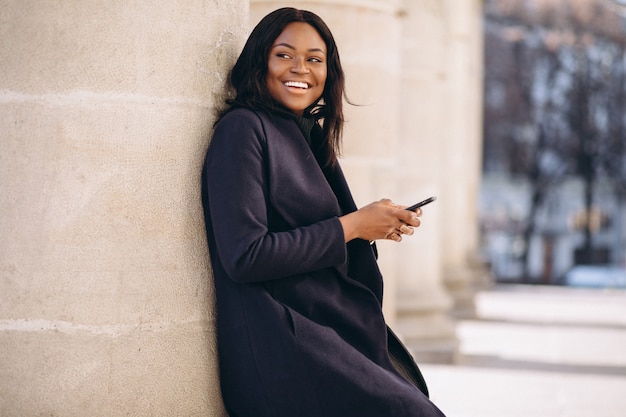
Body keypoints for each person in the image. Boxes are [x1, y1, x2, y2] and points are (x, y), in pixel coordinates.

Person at [202, 7, 446, 417]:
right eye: (284, 54)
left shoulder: (307, 134)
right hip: (283, 339)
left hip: (329, 332)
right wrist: (352, 226)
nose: (300, 68)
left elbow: (325, 233)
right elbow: (245, 255)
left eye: (315, 59)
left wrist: (371, 227)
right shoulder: (242, 129)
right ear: (259, 59)